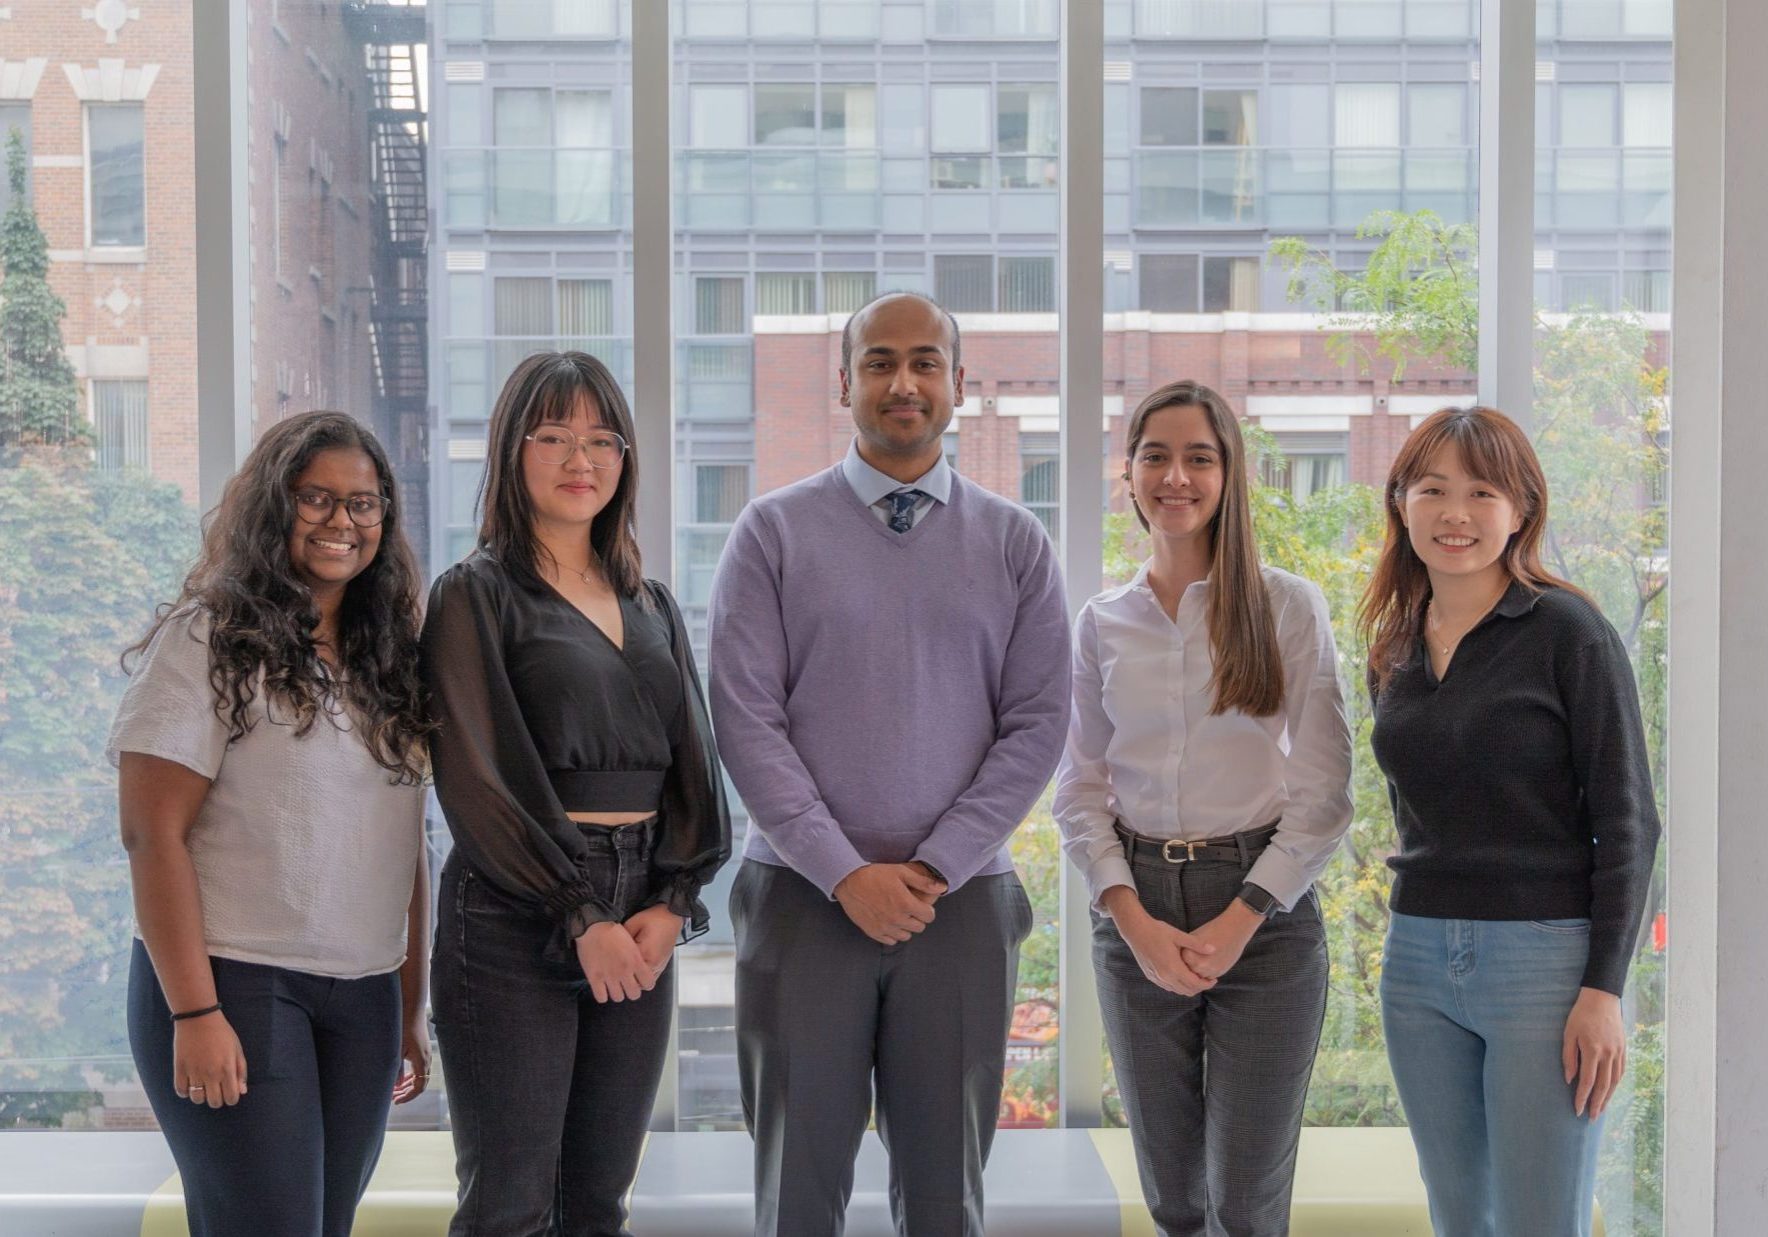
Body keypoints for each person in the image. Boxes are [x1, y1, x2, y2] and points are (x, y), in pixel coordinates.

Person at [707, 290, 1070, 1237]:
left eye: (923, 362)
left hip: (957, 908)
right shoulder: (771, 533)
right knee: (797, 1195)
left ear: (957, 385)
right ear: (844, 382)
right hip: (799, 900)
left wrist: (933, 866)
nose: (901, 381)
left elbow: (1037, 724)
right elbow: (745, 719)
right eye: (878, 362)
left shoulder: (1017, 542)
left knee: (946, 1197)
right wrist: (844, 872)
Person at [422, 350, 729, 1237]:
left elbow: (694, 764)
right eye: (552, 435)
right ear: (511, 453)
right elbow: (479, 777)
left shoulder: (654, 601)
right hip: (516, 911)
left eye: (601, 439)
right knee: (510, 1204)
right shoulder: (472, 596)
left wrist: (672, 902)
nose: (579, 458)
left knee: (597, 1201)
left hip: (642, 908)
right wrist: (579, 909)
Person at [112, 411, 433, 1237]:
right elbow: (153, 835)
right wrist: (193, 1012)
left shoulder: (387, 660)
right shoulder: (208, 638)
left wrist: (406, 1007)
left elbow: (407, 846)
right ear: (273, 506)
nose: (342, 522)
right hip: (236, 982)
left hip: (361, 995)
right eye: (316, 498)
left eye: (365, 504)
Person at [1053, 380, 1353, 1236]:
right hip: (1137, 903)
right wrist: (1131, 916)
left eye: (1199, 457)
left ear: (1229, 475)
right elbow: (1079, 787)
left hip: (1262, 909)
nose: (1175, 476)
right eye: (1156, 455)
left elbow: (1326, 791)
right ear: (1130, 473)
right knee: (1176, 1194)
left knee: (1246, 1198)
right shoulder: (1102, 621)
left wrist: (1244, 914)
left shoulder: (1286, 605)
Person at [1364, 406, 1660, 1237]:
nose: (1455, 513)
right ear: (1402, 503)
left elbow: (1630, 823)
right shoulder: (1394, 644)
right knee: (1461, 1216)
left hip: (1544, 962)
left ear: (1521, 509)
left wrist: (1603, 988)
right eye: (1433, 489)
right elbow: (1416, 806)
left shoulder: (1569, 632)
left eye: (1482, 491)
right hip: (1416, 958)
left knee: (1540, 1220)